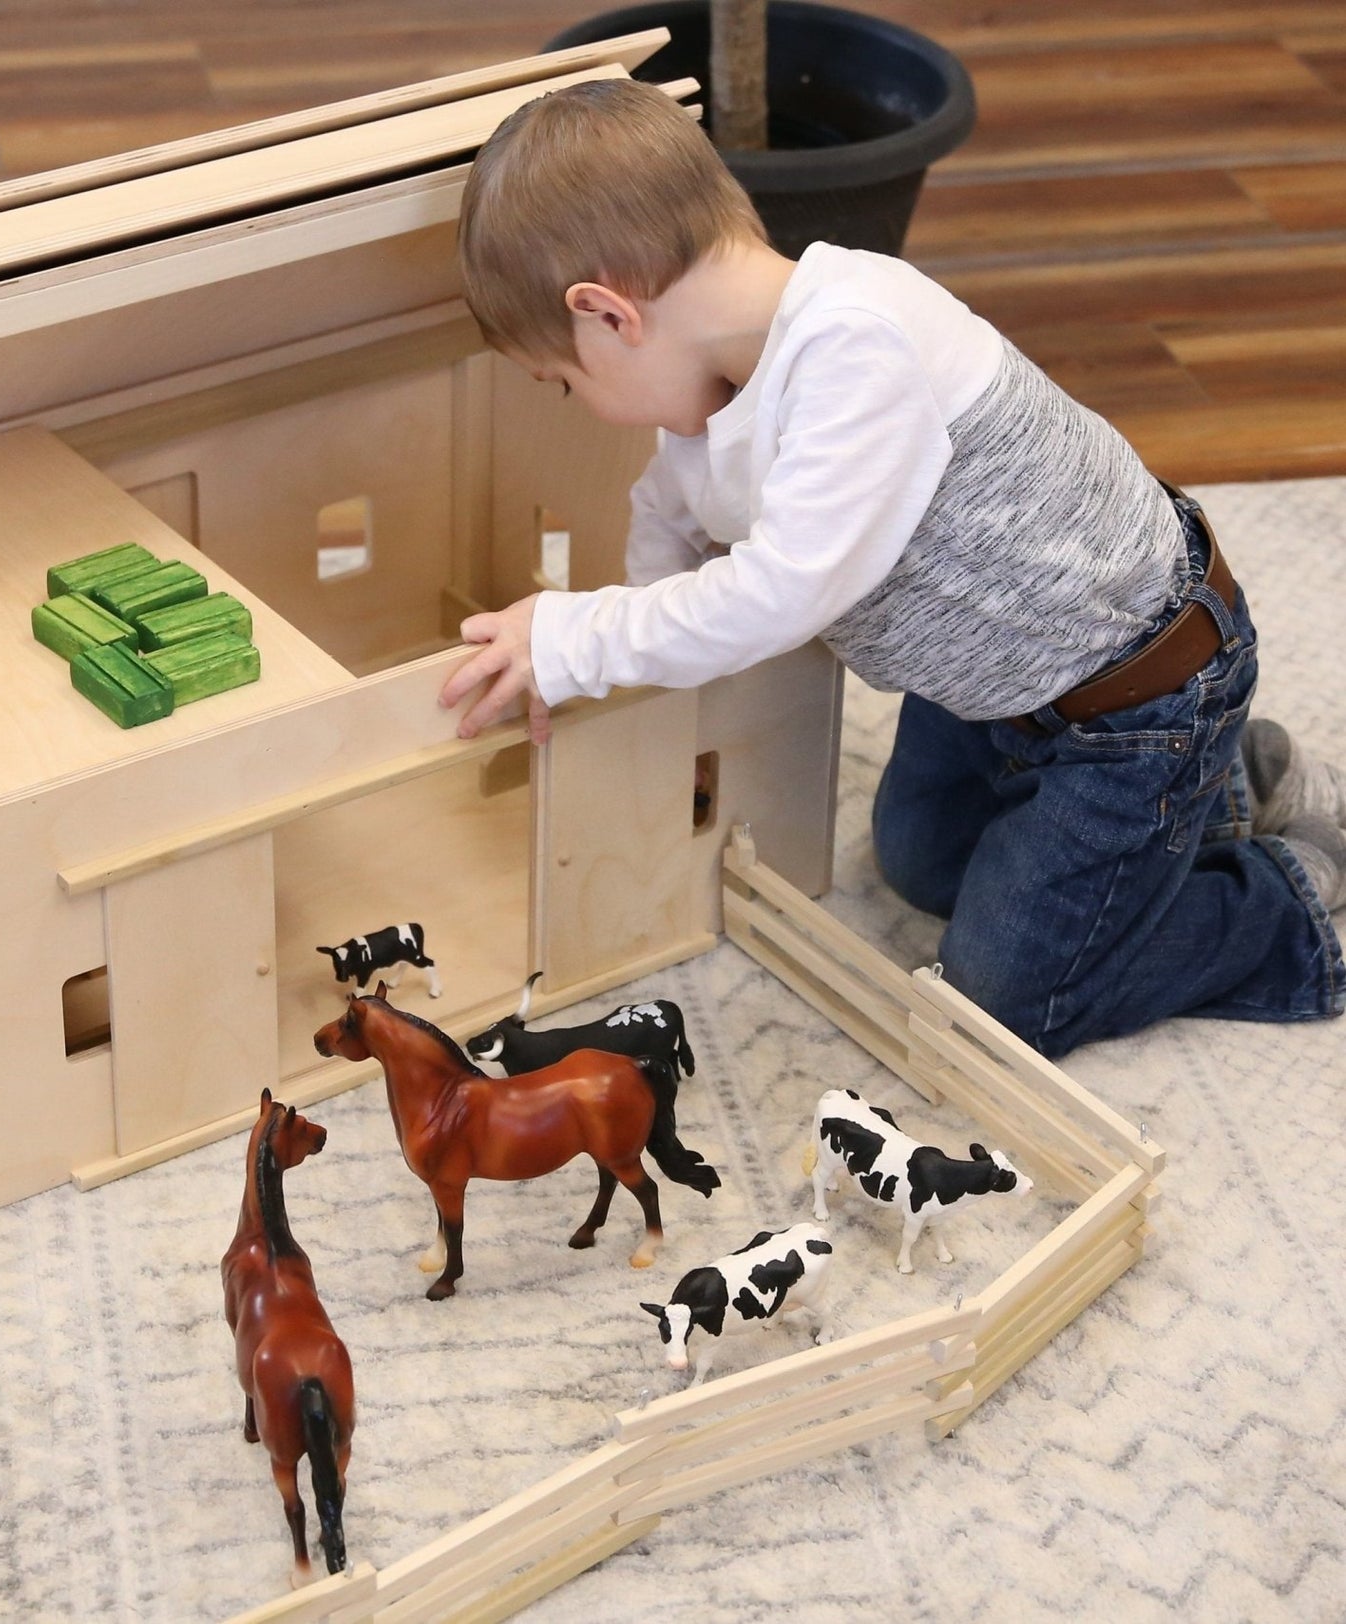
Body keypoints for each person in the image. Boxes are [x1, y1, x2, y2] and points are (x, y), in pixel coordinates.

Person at [437, 77, 1344, 1058]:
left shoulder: (854, 345)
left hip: (1138, 697)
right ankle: (1230, 791)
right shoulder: (714, 394)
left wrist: (572, 637)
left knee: (1001, 998)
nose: (579, 405)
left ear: (609, 315)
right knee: (918, 862)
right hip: (996, 695)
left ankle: (1290, 905)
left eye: (563, 383)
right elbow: (667, 516)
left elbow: (781, 592)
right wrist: (614, 669)